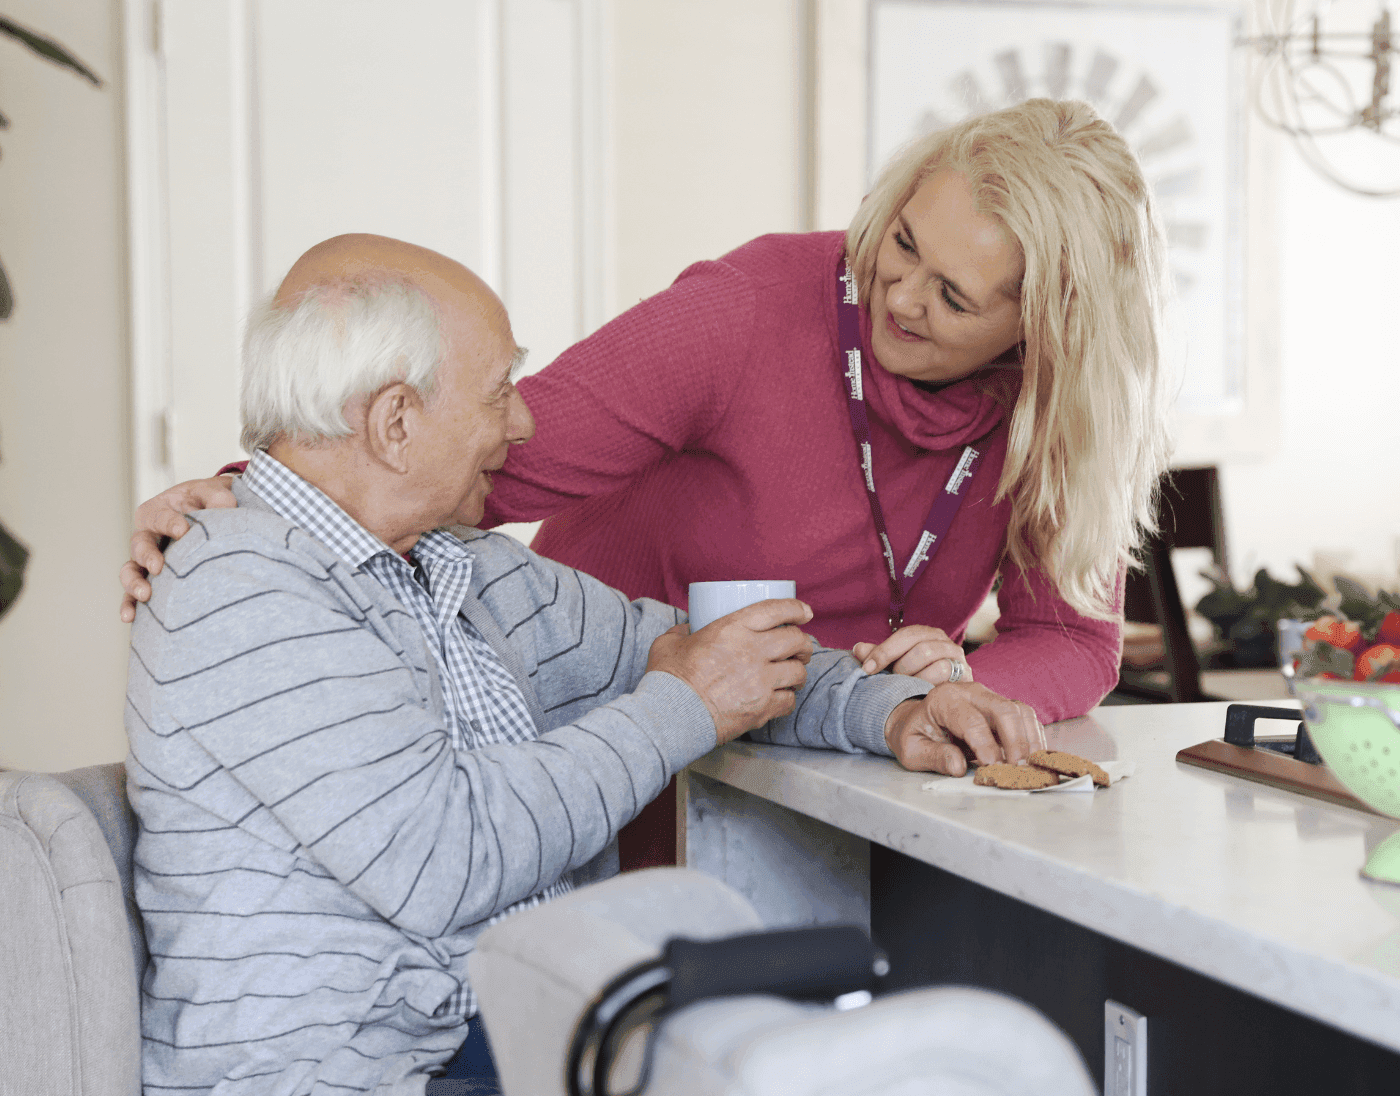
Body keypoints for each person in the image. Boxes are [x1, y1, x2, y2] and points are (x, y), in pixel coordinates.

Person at [122, 98, 1168, 862]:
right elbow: (485, 453)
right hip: (615, 740)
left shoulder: (1056, 412)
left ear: (1040, 333)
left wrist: (958, 694)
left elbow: (1072, 638)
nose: (897, 293)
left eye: (953, 294)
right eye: (899, 242)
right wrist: (256, 498)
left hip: (838, 741)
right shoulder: (752, 310)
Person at [127, 235, 1038, 1096]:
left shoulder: (465, 567)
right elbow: (447, 860)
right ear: (396, 423)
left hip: (492, 1046)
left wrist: (893, 712)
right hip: (360, 1075)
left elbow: (701, 651)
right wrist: (684, 703)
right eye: (499, 390)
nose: (523, 422)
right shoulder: (243, 586)